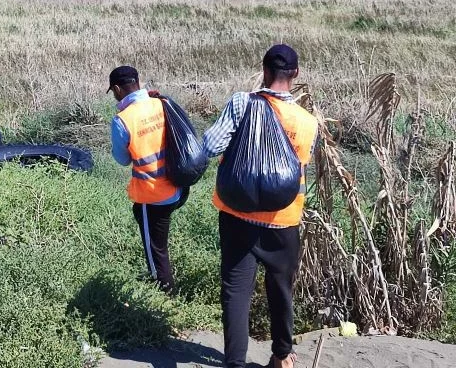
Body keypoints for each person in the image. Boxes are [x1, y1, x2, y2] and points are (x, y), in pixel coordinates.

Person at [202, 45, 318, 368]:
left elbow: (211, 145)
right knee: (281, 290)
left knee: (236, 293)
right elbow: (298, 170)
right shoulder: (308, 123)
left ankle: (235, 363)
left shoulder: (242, 103)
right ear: (295, 74)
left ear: (263, 70)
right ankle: (282, 356)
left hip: (237, 216)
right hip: (284, 221)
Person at [109, 65, 186, 294]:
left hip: (152, 195)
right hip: (179, 187)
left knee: (156, 251)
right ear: (138, 82)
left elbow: (122, 160)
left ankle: (164, 297)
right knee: (160, 243)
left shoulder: (122, 120)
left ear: (117, 89)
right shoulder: (160, 102)